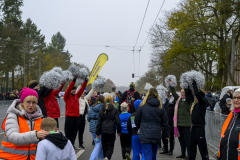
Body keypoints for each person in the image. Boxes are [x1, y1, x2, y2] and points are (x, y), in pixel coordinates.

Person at [0, 87, 49, 160]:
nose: (31, 105)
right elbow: (13, 137)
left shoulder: (40, 119)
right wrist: (35, 135)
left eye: (34, 102)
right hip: (10, 157)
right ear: (22, 102)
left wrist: (54, 134)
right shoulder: (13, 116)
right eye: (28, 102)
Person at [134, 88, 169, 160]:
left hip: (145, 133)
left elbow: (136, 119)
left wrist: (140, 126)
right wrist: (167, 133)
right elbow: (165, 121)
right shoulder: (160, 107)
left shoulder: (142, 106)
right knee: (153, 156)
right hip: (156, 133)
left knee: (147, 155)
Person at [169, 80, 194, 159]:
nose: (182, 93)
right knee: (181, 140)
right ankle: (183, 154)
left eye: (183, 92)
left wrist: (185, 85)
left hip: (186, 123)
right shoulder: (179, 100)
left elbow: (187, 93)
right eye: (181, 92)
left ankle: (189, 155)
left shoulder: (188, 100)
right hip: (179, 123)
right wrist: (171, 86)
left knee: (187, 141)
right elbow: (174, 94)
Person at [63, 77, 88, 148]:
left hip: (76, 117)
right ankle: (67, 146)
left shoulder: (77, 96)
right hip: (69, 117)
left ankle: (72, 145)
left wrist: (85, 81)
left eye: (74, 90)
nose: (73, 91)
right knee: (68, 133)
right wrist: (74, 80)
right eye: (72, 90)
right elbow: (68, 90)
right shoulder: (67, 96)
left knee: (74, 133)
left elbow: (82, 89)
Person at [96, 95, 122, 160]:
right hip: (111, 130)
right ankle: (107, 157)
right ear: (112, 100)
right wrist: (119, 131)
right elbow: (118, 121)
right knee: (110, 146)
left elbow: (99, 122)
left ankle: (105, 157)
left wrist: (97, 132)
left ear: (105, 100)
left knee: (104, 146)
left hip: (103, 129)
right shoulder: (114, 109)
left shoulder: (101, 109)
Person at [188, 80, 209, 160]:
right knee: (191, 146)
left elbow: (196, 93)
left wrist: (194, 84)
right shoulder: (195, 104)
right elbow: (190, 95)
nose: (195, 97)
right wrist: (188, 86)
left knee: (202, 147)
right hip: (194, 127)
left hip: (200, 128)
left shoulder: (203, 102)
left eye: (197, 96)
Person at [218, 88, 240, 160]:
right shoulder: (231, 115)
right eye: (234, 98)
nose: (236, 100)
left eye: (239, 98)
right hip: (225, 155)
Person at [88, 95, 105, 160]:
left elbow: (88, 118)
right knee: (99, 144)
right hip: (100, 126)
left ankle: (102, 158)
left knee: (98, 144)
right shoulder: (103, 107)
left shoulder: (92, 107)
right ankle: (92, 158)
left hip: (92, 126)